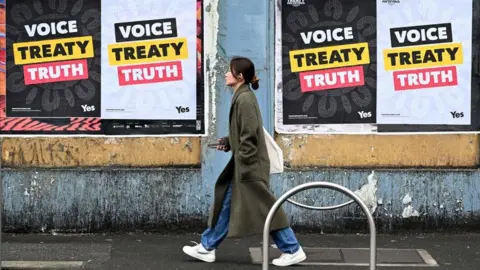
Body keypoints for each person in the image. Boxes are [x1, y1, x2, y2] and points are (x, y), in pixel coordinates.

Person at [182, 56, 307, 267]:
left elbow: (249, 135)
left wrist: (245, 165)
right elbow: (243, 132)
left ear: (239, 76)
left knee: (265, 208)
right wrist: (229, 142)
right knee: (229, 205)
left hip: (249, 167)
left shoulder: (245, 99)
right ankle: (207, 246)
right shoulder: (242, 96)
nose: (225, 74)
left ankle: (292, 249)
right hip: (245, 164)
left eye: (229, 71)